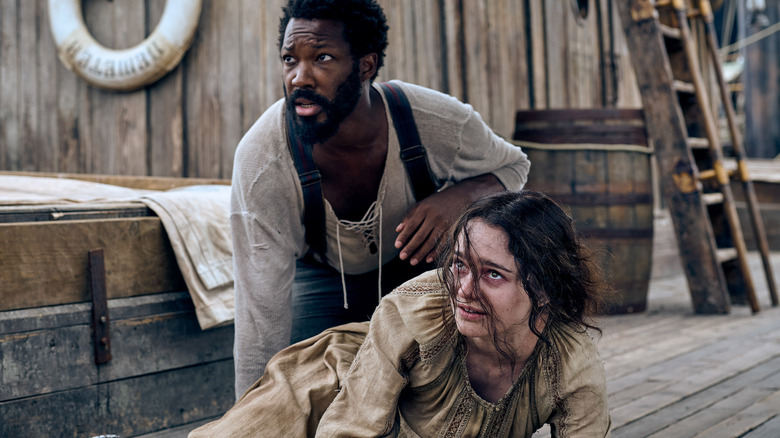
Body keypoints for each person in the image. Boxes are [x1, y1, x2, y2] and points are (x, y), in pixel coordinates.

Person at [230, 0, 531, 396]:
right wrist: (251, 418)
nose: (299, 78)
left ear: (366, 66)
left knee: (440, 390)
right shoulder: (263, 161)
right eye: (290, 59)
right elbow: (259, 318)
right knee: (305, 386)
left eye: (322, 58)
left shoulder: (429, 120)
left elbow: (514, 168)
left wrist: (458, 197)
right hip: (321, 277)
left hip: (415, 273)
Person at [191, 190, 612, 437]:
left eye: (493, 275)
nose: (464, 290)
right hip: (336, 381)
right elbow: (351, 429)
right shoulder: (415, 311)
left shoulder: (569, 365)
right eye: (460, 265)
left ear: (545, 289)